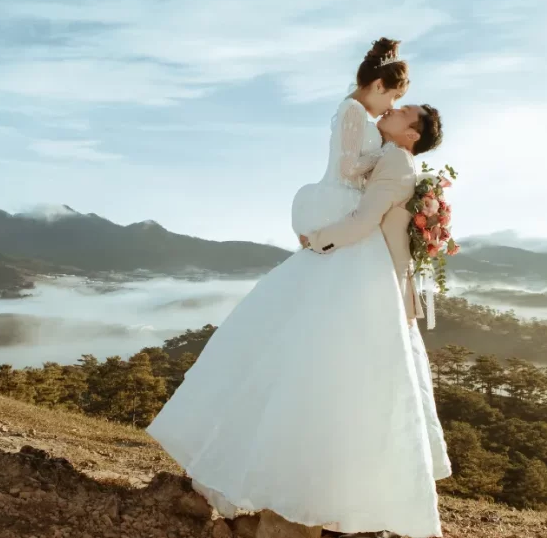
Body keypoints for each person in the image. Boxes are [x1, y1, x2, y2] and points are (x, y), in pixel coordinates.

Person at [147, 38, 451, 538]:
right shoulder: (369, 129)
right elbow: (358, 185)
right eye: (396, 99)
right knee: (322, 360)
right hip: (352, 252)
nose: (394, 108)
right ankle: (319, 491)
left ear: (412, 133)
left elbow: (365, 214)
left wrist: (320, 241)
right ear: (379, 86)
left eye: (404, 109)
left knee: (321, 361)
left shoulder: (395, 159)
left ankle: (314, 491)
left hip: (352, 252)